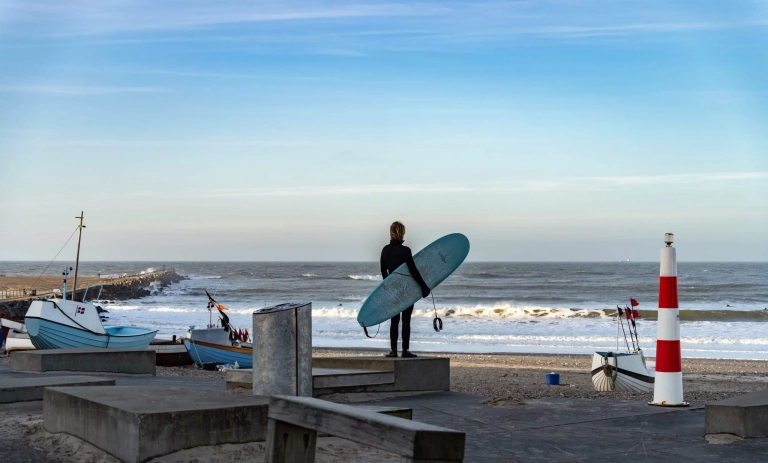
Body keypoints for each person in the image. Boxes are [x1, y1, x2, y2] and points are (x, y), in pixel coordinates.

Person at [380, 221, 430, 358]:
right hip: (406, 289)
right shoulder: (405, 250)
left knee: (394, 320)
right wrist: (424, 286)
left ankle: (393, 351)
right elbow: (413, 271)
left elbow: (383, 271)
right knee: (406, 319)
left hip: (393, 290)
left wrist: (388, 286)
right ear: (402, 233)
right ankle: (405, 351)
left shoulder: (385, 250)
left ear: (391, 232)